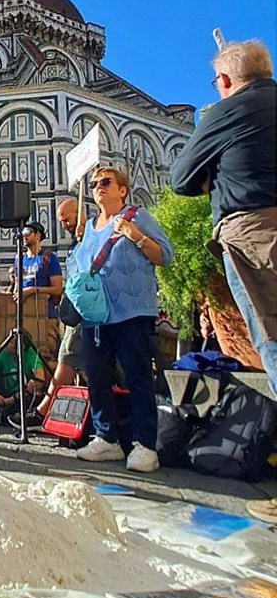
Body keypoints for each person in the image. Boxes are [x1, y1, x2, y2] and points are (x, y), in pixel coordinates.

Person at [170, 39, 277, 398]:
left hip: (254, 237)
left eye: (216, 81)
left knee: (271, 336)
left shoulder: (226, 111)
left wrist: (213, 178)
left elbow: (180, 178)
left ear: (225, 79)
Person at [72, 166, 173, 472]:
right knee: (98, 377)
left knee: (137, 377)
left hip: (132, 313)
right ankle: (107, 439)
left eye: (105, 182)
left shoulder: (136, 217)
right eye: (93, 184)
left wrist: (137, 237)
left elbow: (165, 256)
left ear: (122, 190)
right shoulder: (88, 226)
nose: (98, 187)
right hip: (96, 316)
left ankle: (145, 446)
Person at [35, 197, 86, 423]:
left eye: (66, 219)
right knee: (82, 363)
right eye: (61, 221)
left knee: (66, 356)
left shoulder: (92, 236)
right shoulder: (75, 246)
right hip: (77, 311)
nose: (64, 225)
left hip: (86, 312)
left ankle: (44, 411)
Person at [0, 332, 46, 425]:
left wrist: (11, 399)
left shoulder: (31, 355)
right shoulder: (4, 352)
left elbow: (39, 380)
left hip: (22, 396)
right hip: (6, 394)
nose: (6, 344)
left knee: (31, 389)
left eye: (11, 343)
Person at [9, 221, 63, 319]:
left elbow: (58, 289)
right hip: (23, 315)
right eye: (23, 232)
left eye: (28, 232)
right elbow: (17, 286)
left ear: (37, 235)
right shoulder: (19, 260)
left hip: (45, 314)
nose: (24, 235)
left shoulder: (48, 258)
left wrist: (33, 290)